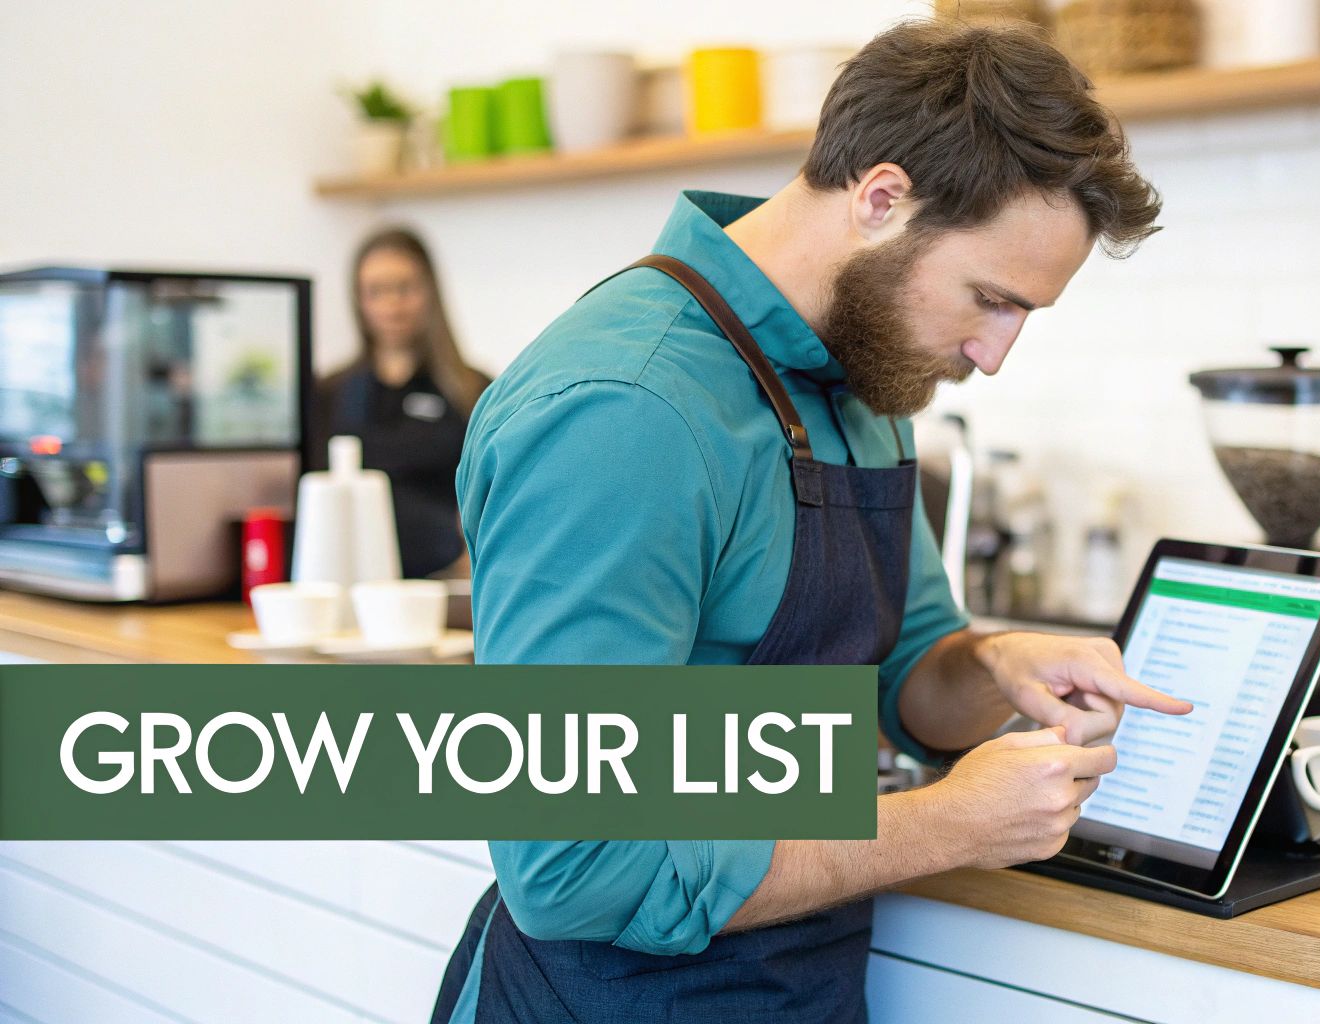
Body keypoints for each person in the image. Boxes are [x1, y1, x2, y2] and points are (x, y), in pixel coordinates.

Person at [430, 20, 1182, 1024]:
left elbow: (906, 677)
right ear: (880, 200)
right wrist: (942, 825)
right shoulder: (627, 411)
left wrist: (996, 666)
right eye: (989, 299)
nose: (993, 354)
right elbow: (574, 864)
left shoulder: (861, 368)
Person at [312, 227, 490, 578]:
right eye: (376, 292)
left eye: (404, 289)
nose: (391, 306)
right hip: (348, 583)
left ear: (429, 291)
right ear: (359, 299)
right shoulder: (330, 392)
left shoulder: (472, 390)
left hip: (445, 582)